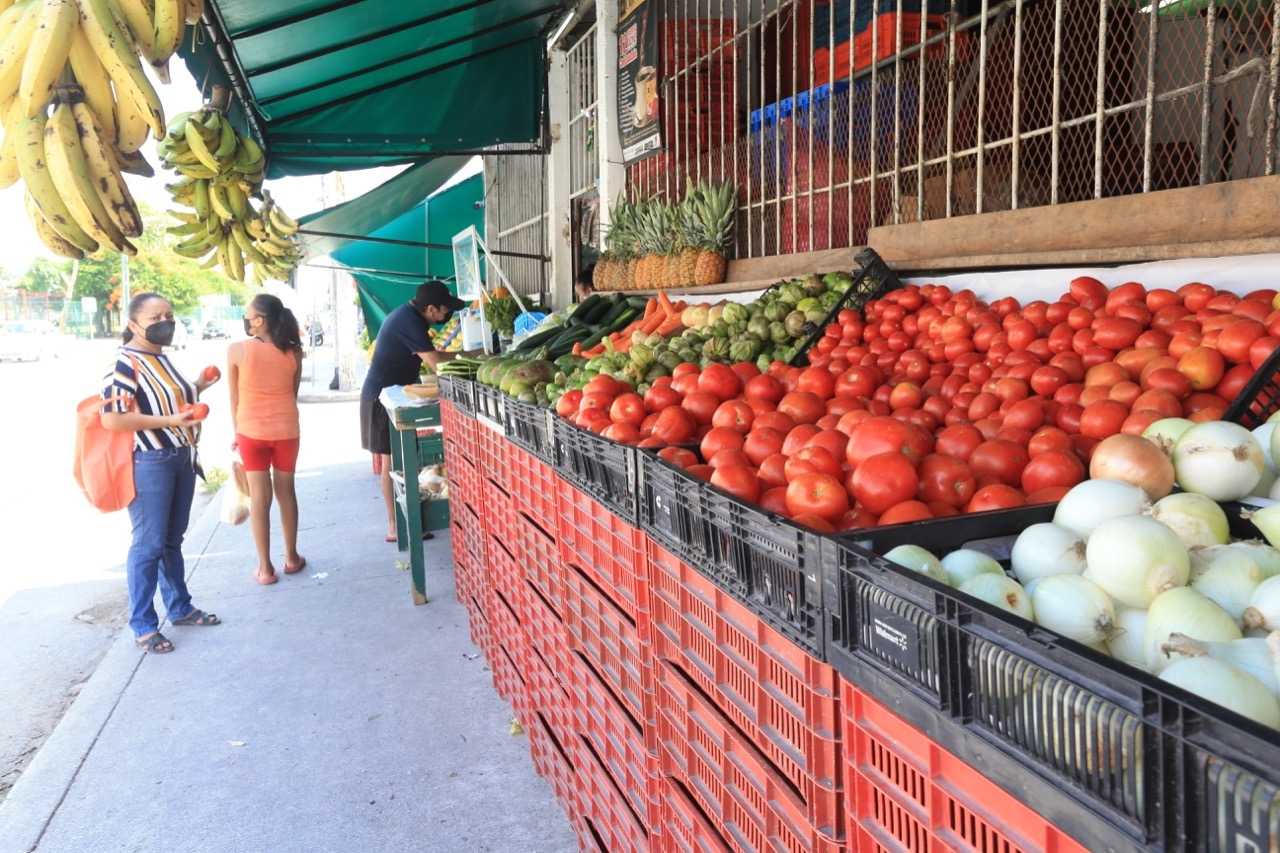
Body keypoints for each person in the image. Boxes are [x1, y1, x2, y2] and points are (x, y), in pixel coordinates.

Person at [101, 293, 221, 654]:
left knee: (172, 540)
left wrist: (198, 384)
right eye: (156, 317)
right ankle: (143, 624)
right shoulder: (124, 363)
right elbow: (113, 418)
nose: (165, 321)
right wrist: (170, 421)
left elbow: (167, 399)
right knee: (148, 544)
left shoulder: (162, 358)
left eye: (169, 313)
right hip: (150, 461)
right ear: (134, 325)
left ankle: (180, 607)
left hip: (182, 456)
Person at [360, 280, 473, 542]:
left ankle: (406, 520)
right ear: (431, 309)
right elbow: (436, 364)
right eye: (445, 311)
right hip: (381, 399)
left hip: (392, 394)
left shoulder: (409, 316)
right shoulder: (409, 321)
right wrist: (472, 361)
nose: (448, 317)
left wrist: (470, 354)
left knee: (399, 461)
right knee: (391, 463)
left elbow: (435, 355)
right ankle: (395, 526)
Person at [227, 294, 306, 586]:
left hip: (251, 432)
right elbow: (292, 392)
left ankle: (265, 569)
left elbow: (234, 398)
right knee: (286, 490)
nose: (245, 318)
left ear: (259, 321)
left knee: (260, 497)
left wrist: (236, 432)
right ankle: (292, 558)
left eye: (248, 314)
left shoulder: (236, 350)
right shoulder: (294, 352)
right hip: (286, 430)